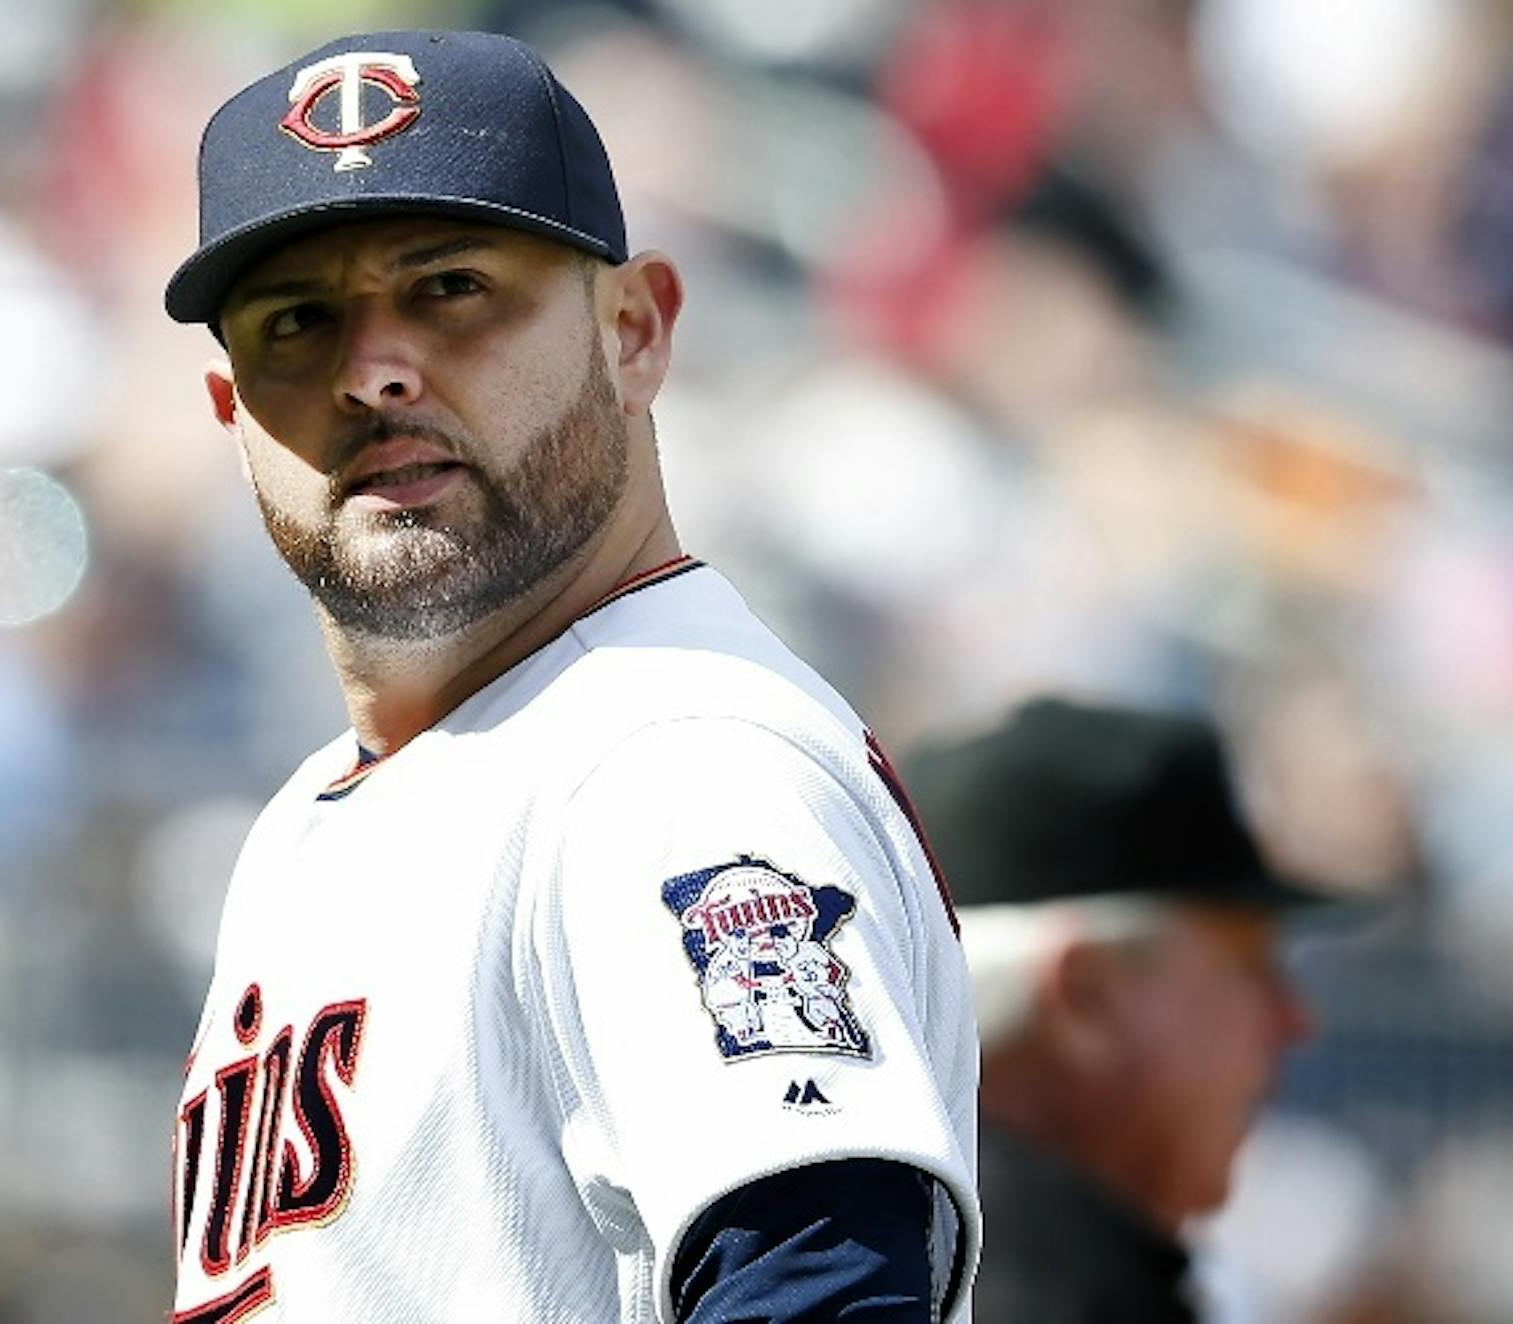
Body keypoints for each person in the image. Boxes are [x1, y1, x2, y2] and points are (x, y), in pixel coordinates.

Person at [160, 28, 978, 1324]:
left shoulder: (678, 760)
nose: (374, 370)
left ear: (637, 332)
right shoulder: (325, 817)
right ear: (233, 414)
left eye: (451, 289)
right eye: (298, 320)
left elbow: (818, 1282)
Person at [898, 698, 1322, 1324]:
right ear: (1084, 995)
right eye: (1250, 962)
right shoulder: (1047, 1289)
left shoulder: (891, 1239)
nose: (1295, 1020)